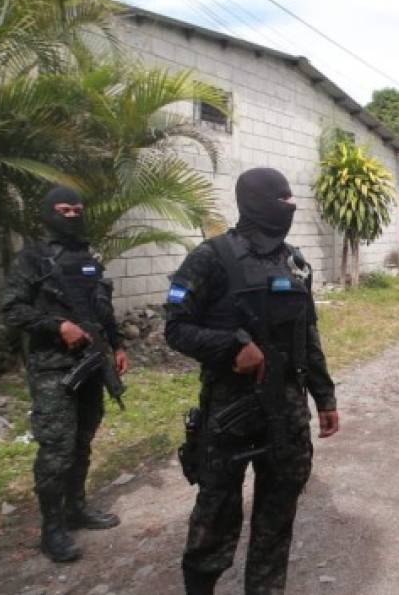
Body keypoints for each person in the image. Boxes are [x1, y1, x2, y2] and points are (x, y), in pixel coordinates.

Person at [165, 168, 339, 595]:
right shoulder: (211, 257)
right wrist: (231, 346)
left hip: (287, 409)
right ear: (258, 202)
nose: (292, 207)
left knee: (277, 516)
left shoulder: (295, 263)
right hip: (231, 411)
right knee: (216, 512)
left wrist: (325, 396)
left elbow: (308, 336)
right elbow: (175, 327)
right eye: (284, 200)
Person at [1, 186, 129, 563]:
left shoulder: (90, 258)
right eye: (63, 209)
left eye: (77, 209)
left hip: (91, 363)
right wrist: (58, 326)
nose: (72, 215)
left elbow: (102, 309)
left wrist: (118, 346)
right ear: (48, 213)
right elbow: (12, 309)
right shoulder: (32, 259)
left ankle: (76, 508)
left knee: (83, 442)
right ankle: (51, 528)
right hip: (53, 369)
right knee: (57, 448)